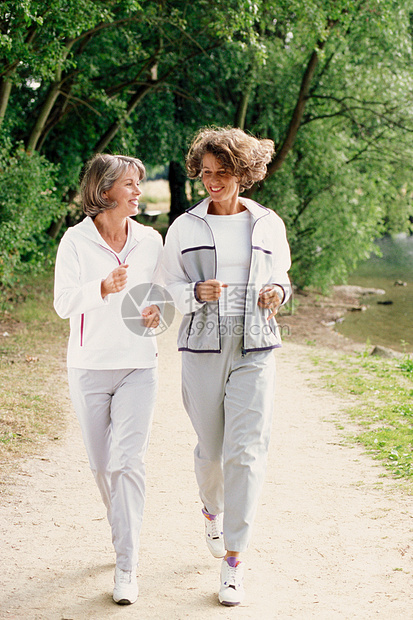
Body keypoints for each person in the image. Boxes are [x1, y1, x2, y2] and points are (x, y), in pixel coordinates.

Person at [161, 127, 291, 606]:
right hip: (202, 347)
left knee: (246, 453)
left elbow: (282, 277)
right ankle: (211, 512)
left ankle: (234, 561)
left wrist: (278, 293)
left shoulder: (268, 224)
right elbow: (165, 286)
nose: (212, 182)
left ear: (245, 173)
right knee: (212, 452)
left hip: (256, 346)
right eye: (206, 173)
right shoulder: (184, 227)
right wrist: (195, 294)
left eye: (223, 173)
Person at [54, 153, 162, 605]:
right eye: (130, 184)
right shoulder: (75, 242)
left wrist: (160, 313)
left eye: (139, 183)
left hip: (139, 363)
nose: (139, 191)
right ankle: (122, 522)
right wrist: (101, 288)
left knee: (127, 463)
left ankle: (126, 565)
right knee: (103, 467)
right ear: (103, 191)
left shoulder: (152, 240)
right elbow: (63, 304)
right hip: (90, 366)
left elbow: (161, 298)